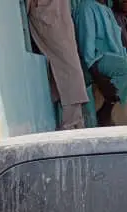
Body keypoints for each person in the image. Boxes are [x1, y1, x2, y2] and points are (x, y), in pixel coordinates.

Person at [26, 0, 89, 130]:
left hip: (56, 12)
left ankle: (74, 120)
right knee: (69, 66)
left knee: (70, 65)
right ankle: (72, 122)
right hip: (47, 13)